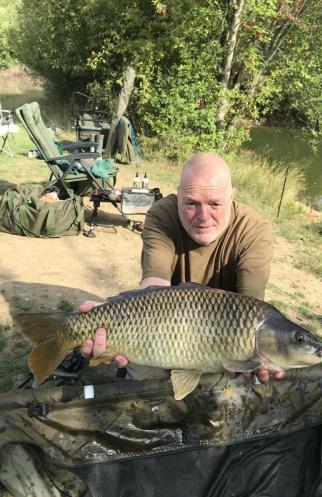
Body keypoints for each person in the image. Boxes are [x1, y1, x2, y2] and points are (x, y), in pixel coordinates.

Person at [80, 152, 284, 382]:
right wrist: (104, 316)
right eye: (191, 203)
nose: (203, 216)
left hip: (223, 337)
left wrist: (260, 356)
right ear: (178, 197)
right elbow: (154, 286)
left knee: (230, 392)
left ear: (232, 196)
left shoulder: (254, 231)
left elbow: (253, 312)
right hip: (162, 328)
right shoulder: (162, 214)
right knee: (144, 384)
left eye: (215, 204)